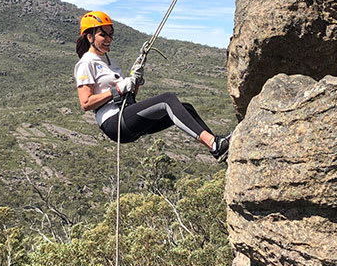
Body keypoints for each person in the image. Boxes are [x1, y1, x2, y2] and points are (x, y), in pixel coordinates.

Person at [74, 11, 230, 162]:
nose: (109, 39)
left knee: (186, 108)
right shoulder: (86, 63)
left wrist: (135, 80)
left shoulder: (108, 61)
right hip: (113, 122)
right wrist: (118, 89)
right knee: (167, 99)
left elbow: (130, 96)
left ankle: (217, 147)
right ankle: (214, 144)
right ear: (90, 37)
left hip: (125, 115)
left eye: (111, 34)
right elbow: (86, 103)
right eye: (103, 35)